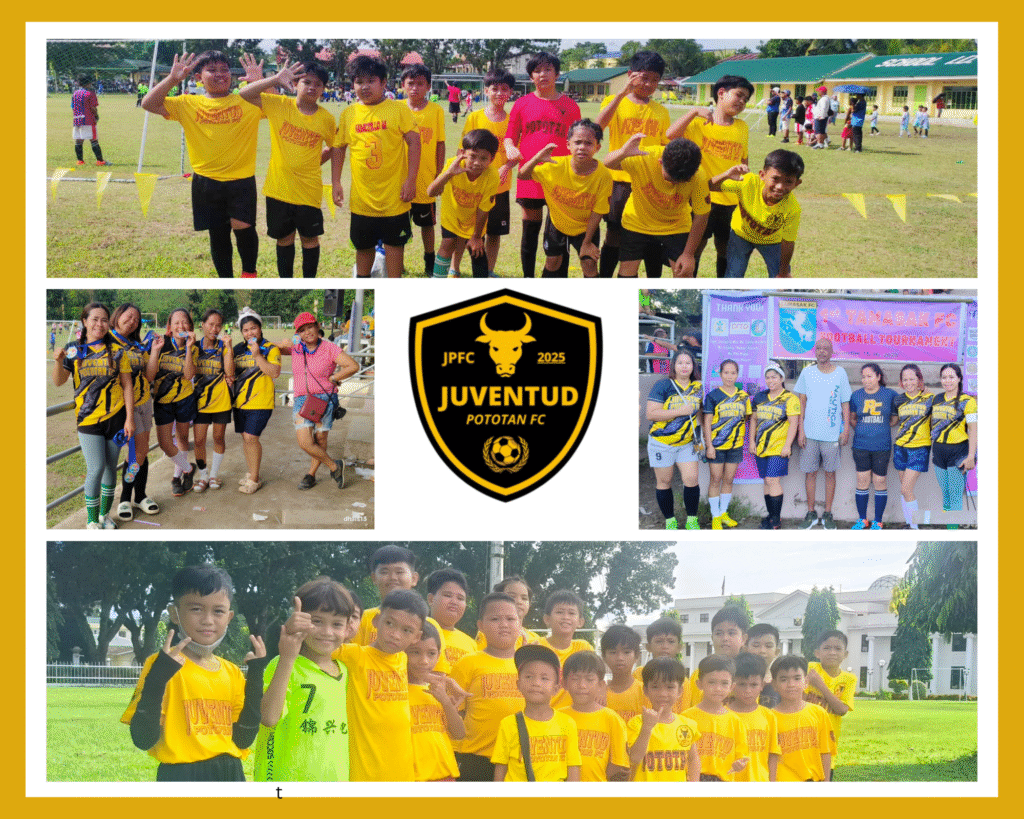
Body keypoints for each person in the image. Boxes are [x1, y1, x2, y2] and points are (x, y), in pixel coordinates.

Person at [120, 565, 268, 780]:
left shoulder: (232, 672)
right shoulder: (161, 666)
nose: (208, 620)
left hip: (230, 774)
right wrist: (158, 679)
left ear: (229, 617)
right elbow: (143, 739)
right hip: (181, 776)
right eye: (196, 609)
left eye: (218, 611)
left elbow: (243, 739)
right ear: (175, 613)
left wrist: (255, 676)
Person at [142, 52, 265, 278]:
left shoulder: (248, 100)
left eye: (224, 70)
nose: (220, 74)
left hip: (241, 180)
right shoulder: (187, 103)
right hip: (206, 182)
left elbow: (280, 105)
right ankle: (226, 281)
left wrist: (262, 82)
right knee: (218, 234)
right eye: (212, 70)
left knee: (244, 228)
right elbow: (148, 103)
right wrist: (172, 79)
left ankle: (249, 274)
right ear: (198, 77)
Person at [238, 58, 336, 279]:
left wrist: (313, 162)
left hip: (308, 191)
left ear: (323, 89)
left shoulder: (326, 119)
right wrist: (274, 79)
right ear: (295, 84)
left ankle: (309, 283)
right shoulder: (279, 104)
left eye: (318, 84)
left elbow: (335, 147)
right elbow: (244, 94)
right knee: (284, 239)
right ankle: (286, 283)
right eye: (306, 82)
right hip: (278, 189)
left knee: (310, 239)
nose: (312, 87)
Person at [254, 578, 355, 782]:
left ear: (347, 628)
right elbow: (269, 718)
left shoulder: (345, 671)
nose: (327, 632)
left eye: (337, 624)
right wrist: (287, 658)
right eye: (316, 621)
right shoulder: (284, 664)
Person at [332, 54, 421, 278]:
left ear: (383, 83)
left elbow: (414, 142)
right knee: (363, 248)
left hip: (394, 198)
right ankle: (362, 286)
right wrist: (336, 182)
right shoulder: (349, 113)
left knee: (394, 246)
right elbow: (339, 147)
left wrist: (411, 180)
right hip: (362, 200)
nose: (364, 86)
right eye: (359, 81)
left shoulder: (398, 109)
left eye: (371, 81)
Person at [52, 303, 135, 529]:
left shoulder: (117, 350)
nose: (100, 324)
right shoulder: (73, 349)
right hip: (88, 420)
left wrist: (129, 419)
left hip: (116, 418)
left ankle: (104, 516)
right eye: (95, 319)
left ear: (109, 323)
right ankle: (91, 521)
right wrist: (58, 361)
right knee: (96, 467)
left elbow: (127, 385)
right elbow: (59, 381)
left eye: (104, 320)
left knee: (110, 468)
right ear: (85, 321)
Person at [333, 588, 427, 781]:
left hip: (403, 773)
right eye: (390, 623)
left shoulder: (402, 658)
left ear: (416, 637)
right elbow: (314, 644)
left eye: (407, 630)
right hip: (365, 773)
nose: (395, 635)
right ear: (376, 621)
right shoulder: (354, 656)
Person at [503, 52, 582, 277]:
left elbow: (577, 140)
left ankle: (558, 279)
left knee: (560, 232)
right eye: (537, 71)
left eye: (548, 69)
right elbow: (510, 136)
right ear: (531, 77)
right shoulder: (522, 103)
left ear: (557, 74)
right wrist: (510, 147)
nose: (542, 74)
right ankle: (528, 278)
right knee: (530, 230)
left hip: (560, 176)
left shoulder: (570, 106)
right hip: (530, 175)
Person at [666, 75, 753, 277]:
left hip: (731, 200)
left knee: (726, 249)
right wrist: (694, 112)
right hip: (701, 197)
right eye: (739, 95)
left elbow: (744, 161)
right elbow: (670, 135)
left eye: (746, 99)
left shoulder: (742, 127)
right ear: (721, 93)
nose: (742, 101)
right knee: (694, 249)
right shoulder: (699, 123)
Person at [594, 50, 671, 278]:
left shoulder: (661, 111)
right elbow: (597, 128)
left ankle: (648, 292)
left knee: (651, 239)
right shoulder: (614, 102)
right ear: (630, 75)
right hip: (619, 181)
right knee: (614, 235)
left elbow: (665, 147)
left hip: (649, 184)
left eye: (655, 80)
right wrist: (621, 94)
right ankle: (605, 280)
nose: (648, 84)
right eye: (644, 78)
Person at [602, 134, 709, 278]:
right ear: (660, 162)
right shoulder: (645, 157)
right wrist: (623, 152)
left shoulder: (699, 175)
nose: (674, 184)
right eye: (669, 178)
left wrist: (688, 255)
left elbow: (702, 215)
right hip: (637, 222)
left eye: (681, 181)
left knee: (684, 274)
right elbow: (608, 163)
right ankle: (642, 295)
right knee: (626, 274)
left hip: (675, 226)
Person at [517, 119, 612, 278]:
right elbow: (522, 175)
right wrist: (537, 158)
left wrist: (587, 243)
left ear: (597, 147)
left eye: (588, 143)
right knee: (553, 262)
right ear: (568, 144)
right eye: (577, 142)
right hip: (557, 224)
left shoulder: (603, 175)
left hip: (585, 227)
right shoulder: (555, 166)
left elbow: (598, 211)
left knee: (589, 265)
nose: (582, 147)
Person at [450, 592, 525, 781]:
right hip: (475, 758)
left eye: (510, 619)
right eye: (495, 619)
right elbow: (453, 712)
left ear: (520, 624)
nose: (504, 624)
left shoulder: (528, 665)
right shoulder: (467, 663)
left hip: (518, 760)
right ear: (481, 625)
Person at [280, 311, 358, 491]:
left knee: (320, 439)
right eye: (302, 330)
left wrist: (335, 377)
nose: (307, 332)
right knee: (305, 442)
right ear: (298, 334)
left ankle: (311, 474)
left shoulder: (330, 348)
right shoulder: (296, 348)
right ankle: (334, 466)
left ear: (317, 327)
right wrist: (283, 343)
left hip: (325, 399)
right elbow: (272, 347)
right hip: (302, 400)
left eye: (310, 327)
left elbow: (353, 366)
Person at [491, 645, 582, 781]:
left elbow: (573, 766)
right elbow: (501, 767)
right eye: (529, 676)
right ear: (518, 684)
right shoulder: (508, 724)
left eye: (544, 678)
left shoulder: (567, 723)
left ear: (556, 688)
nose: (536, 683)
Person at [709, 149, 803, 278]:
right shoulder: (747, 182)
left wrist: (783, 273)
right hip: (741, 235)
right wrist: (727, 174)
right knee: (733, 275)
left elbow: (788, 242)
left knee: (780, 280)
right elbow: (711, 186)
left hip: (771, 241)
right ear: (762, 175)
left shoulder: (793, 208)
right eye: (775, 179)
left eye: (788, 181)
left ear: (797, 183)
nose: (780, 186)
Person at [353, 545, 449, 669]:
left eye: (399, 572)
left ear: (414, 578)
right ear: (374, 578)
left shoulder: (431, 625)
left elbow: (437, 671)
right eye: (384, 572)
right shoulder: (362, 618)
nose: (393, 578)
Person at [460, 69, 516, 277]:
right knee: (471, 230)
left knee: (494, 232)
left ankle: (489, 271)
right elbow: (462, 150)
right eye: (495, 89)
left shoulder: (513, 120)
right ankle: (465, 269)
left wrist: (506, 167)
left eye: (504, 89)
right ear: (486, 91)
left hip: (500, 186)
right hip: (475, 185)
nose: (499, 93)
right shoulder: (475, 117)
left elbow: (517, 152)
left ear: (511, 92)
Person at [427, 129, 500, 279]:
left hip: (474, 222)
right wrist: (449, 173)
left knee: (477, 251)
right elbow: (430, 192)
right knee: (447, 243)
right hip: (452, 216)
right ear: (462, 153)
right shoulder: (452, 165)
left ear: (492, 159)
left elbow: (484, 209)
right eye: (472, 156)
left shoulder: (492, 176)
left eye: (484, 158)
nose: (477, 162)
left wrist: (476, 236)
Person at [794, 338, 851, 529]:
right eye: (818, 348)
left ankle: (827, 514)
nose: (821, 351)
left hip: (832, 435)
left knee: (830, 474)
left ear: (832, 351)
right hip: (809, 434)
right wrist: (801, 430)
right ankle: (811, 513)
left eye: (825, 348)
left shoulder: (840, 373)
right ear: (815, 351)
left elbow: (845, 403)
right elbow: (801, 403)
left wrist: (846, 429)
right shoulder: (807, 372)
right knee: (810, 474)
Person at [109, 303, 159, 521]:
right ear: (118, 315)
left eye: (136, 320)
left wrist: (155, 351)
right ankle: (125, 498)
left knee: (142, 451)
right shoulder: (107, 342)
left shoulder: (137, 345)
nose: (132, 321)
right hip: (124, 406)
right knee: (136, 453)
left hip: (145, 402)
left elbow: (149, 376)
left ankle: (140, 495)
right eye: (129, 316)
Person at [646, 349, 704, 530]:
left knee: (692, 479)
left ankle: (692, 520)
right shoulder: (663, 385)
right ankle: (670, 520)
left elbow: (699, 412)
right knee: (664, 481)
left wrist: (700, 435)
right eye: (680, 363)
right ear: (674, 366)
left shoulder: (698, 387)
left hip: (687, 443)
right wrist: (679, 411)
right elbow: (651, 414)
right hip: (662, 443)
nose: (684, 366)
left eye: (688, 363)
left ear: (693, 366)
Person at [146, 308, 198, 498]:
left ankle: (177, 478)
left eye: (184, 322)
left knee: (183, 439)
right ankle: (188, 468)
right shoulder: (161, 343)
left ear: (190, 326)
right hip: (163, 401)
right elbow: (150, 375)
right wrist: (154, 351)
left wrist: (189, 348)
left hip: (185, 399)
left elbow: (189, 375)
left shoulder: (193, 347)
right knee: (165, 443)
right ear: (170, 326)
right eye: (176, 322)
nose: (180, 326)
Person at [401, 64, 446, 276]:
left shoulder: (436, 110)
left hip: (426, 179)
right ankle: (396, 262)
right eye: (410, 83)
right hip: (400, 179)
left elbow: (440, 143)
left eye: (420, 84)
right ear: (403, 85)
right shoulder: (397, 108)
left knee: (427, 225)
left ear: (428, 86)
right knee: (398, 225)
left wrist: (439, 173)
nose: (415, 88)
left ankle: (429, 261)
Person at [407, 622, 465, 781]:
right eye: (415, 652)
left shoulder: (438, 691)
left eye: (431, 653)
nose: (424, 661)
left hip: (446, 776)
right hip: (414, 778)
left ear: (439, 656)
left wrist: (445, 701)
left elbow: (459, 734)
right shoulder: (395, 691)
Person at [626, 657, 701, 782]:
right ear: (646, 690)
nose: (662, 693)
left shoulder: (687, 724)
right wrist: (647, 728)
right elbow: (634, 759)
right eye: (655, 687)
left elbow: (693, 759)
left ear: (680, 691)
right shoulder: (637, 723)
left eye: (670, 687)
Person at [232, 309, 281, 494]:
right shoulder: (238, 349)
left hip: (261, 401)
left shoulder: (270, 348)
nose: (249, 333)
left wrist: (258, 355)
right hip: (240, 402)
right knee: (246, 439)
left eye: (253, 328)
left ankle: (255, 478)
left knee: (251, 438)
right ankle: (251, 472)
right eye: (245, 330)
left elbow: (274, 372)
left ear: (260, 329)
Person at [559, 652, 630, 781]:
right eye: (575, 678)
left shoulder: (612, 719)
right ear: (564, 683)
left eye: (589, 679)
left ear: (601, 685)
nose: (582, 685)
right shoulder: (558, 717)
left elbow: (617, 763)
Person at [748, 361, 801, 529]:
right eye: (768, 377)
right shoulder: (759, 397)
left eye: (774, 377)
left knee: (772, 480)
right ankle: (770, 517)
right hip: (761, 447)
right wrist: (751, 441)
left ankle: (776, 521)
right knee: (766, 481)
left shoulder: (790, 398)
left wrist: (788, 445)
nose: (771, 381)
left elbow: (793, 423)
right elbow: (753, 420)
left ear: (782, 378)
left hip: (779, 447)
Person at [683, 655, 749, 781]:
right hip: (692, 779)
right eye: (711, 682)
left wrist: (739, 764)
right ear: (699, 684)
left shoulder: (735, 722)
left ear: (732, 687)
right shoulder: (686, 717)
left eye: (724, 683)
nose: (718, 689)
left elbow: (742, 756)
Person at [849, 362, 897, 530]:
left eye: (869, 376)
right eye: (863, 377)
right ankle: (862, 519)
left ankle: (878, 520)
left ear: (878, 377)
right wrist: (864, 429)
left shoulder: (890, 395)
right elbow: (852, 419)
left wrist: (878, 428)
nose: (866, 380)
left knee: (880, 481)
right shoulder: (856, 396)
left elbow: (894, 419)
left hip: (882, 446)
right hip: (861, 445)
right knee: (862, 480)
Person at [703, 358, 750, 529]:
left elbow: (746, 418)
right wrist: (709, 445)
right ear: (720, 374)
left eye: (733, 373)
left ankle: (723, 513)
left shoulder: (743, 396)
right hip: (716, 446)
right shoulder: (713, 396)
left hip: (735, 446)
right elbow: (707, 422)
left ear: (737, 375)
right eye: (726, 373)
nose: (729, 376)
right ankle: (715, 516)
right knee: (716, 479)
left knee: (729, 480)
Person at [191, 309, 235, 493]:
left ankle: (214, 474)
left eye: (218, 325)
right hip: (200, 401)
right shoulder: (194, 346)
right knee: (199, 440)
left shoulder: (223, 346)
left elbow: (230, 373)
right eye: (211, 324)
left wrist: (229, 348)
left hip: (221, 400)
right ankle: (203, 475)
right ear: (202, 325)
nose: (214, 329)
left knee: (218, 437)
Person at [770, 655, 833, 782]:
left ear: (806, 682)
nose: (791, 684)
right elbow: (770, 758)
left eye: (797, 678)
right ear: (774, 684)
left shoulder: (819, 713)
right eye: (783, 679)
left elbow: (826, 752)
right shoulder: (769, 718)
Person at [929, 363, 977, 521]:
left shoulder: (968, 401)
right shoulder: (936, 399)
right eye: (944, 377)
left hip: (958, 452)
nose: (947, 380)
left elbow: (973, 430)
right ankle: (949, 527)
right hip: (938, 452)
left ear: (959, 379)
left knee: (955, 496)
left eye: (951, 377)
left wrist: (971, 456)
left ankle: (953, 530)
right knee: (946, 495)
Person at [804, 630, 855, 775]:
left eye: (838, 648)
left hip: (827, 743)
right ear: (817, 653)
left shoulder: (849, 679)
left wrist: (820, 685)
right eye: (826, 648)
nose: (832, 652)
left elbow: (842, 710)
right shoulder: (810, 668)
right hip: (803, 738)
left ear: (845, 654)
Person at [893, 363, 934, 529]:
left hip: (920, 449)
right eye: (905, 379)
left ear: (919, 380)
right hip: (900, 447)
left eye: (912, 379)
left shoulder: (930, 399)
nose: (908, 382)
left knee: (905, 489)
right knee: (904, 491)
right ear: (901, 382)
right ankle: (910, 524)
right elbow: (895, 421)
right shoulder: (898, 399)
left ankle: (915, 528)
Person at [537, 590, 593, 709]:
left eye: (571, 613)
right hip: (544, 715)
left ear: (580, 622)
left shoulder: (584, 649)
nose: (566, 617)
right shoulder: (537, 647)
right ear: (547, 619)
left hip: (574, 715)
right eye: (560, 612)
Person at [728, 653, 779, 781]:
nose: (748, 690)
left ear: (762, 685)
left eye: (754, 685)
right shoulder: (723, 716)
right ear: (732, 685)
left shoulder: (769, 717)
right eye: (742, 684)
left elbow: (773, 755)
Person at [689, 606, 750, 706]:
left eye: (731, 633)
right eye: (719, 633)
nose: (725, 638)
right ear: (712, 638)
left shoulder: (750, 675)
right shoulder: (698, 674)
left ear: (743, 639)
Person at [634, 617, 691, 713]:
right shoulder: (638, 674)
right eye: (659, 641)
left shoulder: (684, 682)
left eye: (671, 641)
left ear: (679, 647)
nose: (665, 646)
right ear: (648, 647)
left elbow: (684, 713)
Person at [425, 567, 478, 668]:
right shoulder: (416, 633)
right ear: (431, 599)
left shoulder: (472, 645)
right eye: (448, 595)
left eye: (460, 598)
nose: (454, 602)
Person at [476, 576, 541, 650]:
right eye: (512, 597)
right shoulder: (487, 632)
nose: (519, 601)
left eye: (524, 598)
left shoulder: (535, 639)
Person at [600, 625, 645, 725]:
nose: (620, 658)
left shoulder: (645, 692)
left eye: (626, 652)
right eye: (613, 652)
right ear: (604, 656)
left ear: (636, 656)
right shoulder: (597, 694)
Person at [71, 76, 111, 167]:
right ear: (89, 83)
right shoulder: (90, 93)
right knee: (93, 140)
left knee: (78, 141)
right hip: (88, 120)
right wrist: (96, 115)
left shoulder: (75, 93)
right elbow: (93, 107)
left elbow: (73, 107)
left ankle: (80, 161)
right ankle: (100, 161)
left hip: (77, 119)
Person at [743, 623, 782, 708]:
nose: (762, 651)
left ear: (776, 652)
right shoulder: (735, 679)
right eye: (756, 645)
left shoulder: (781, 682)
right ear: (745, 649)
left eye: (768, 646)